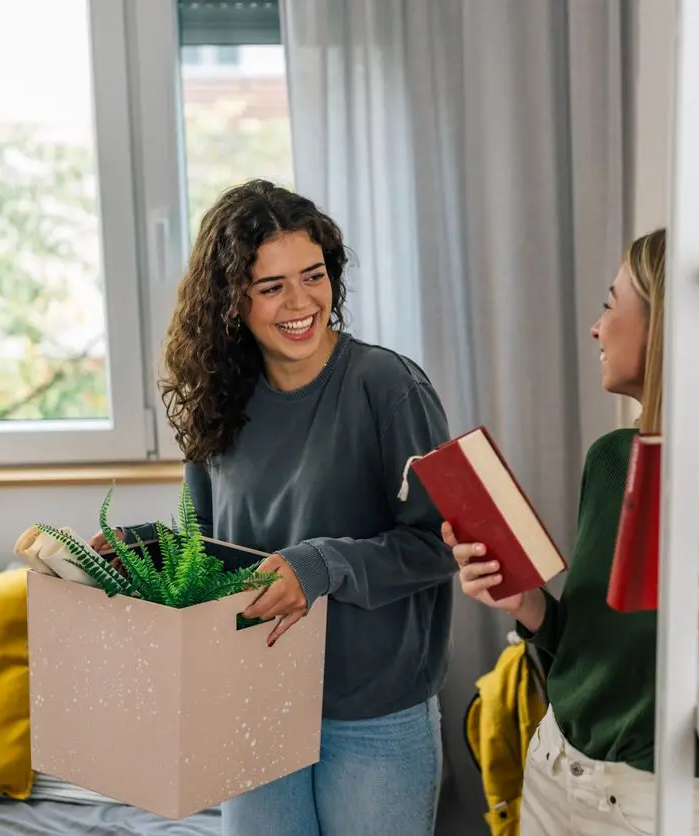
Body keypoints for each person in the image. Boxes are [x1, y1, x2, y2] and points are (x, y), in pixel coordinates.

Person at [93, 180, 456, 836]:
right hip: (252, 698)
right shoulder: (219, 403)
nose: (300, 302)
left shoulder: (387, 387)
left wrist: (318, 565)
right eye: (271, 286)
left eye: (312, 276)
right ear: (232, 300)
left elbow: (442, 542)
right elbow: (208, 552)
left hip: (374, 713)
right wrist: (139, 550)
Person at [444, 227, 699, 836]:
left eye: (611, 304)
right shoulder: (610, 461)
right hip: (549, 770)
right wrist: (527, 602)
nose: (596, 328)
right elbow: (584, 647)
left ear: (674, 330)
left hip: (657, 809)